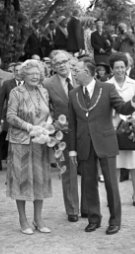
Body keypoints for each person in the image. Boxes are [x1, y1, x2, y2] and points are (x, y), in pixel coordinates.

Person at [68, 59, 135, 235]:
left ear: (87, 72)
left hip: (105, 142)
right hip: (85, 144)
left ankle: (115, 221)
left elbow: (122, 108)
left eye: (76, 70)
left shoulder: (107, 89)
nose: (74, 73)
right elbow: (72, 124)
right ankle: (94, 219)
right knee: (89, 182)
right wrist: (72, 149)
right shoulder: (73, 94)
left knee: (111, 183)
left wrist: (133, 103)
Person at [6, 59, 52, 235]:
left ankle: (38, 219)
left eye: (37, 74)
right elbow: (10, 116)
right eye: (31, 73)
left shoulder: (44, 91)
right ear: (23, 75)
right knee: (22, 180)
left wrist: (48, 125)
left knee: (39, 179)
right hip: (21, 143)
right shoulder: (16, 92)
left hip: (40, 142)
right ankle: (23, 219)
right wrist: (29, 127)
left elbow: (47, 113)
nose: (35, 76)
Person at [42, 50, 80, 223]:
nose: (62, 66)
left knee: (88, 171)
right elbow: (44, 109)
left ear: (70, 61)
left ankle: (88, 207)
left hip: (85, 132)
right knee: (68, 173)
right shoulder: (48, 84)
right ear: (53, 67)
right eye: (57, 64)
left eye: (64, 62)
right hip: (62, 135)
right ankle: (72, 210)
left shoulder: (81, 78)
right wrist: (53, 123)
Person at [107, 53, 135, 206]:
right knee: (114, 162)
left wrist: (134, 113)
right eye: (116, 67)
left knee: (134, 161)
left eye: (122, 67)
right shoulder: (107, 84)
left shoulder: (134, 83)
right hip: (114, 125)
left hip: (132, 125)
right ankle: (114, 195)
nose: (119, 70)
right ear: (112, 69)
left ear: (126, 68)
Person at [0, 63, 24, 171]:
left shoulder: (29, 83)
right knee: (11, 143)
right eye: (15, 70)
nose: (17, 73)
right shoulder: (7, 84)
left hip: (26, 120)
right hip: (11, 119)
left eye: (20, 70)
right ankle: (12, 163)